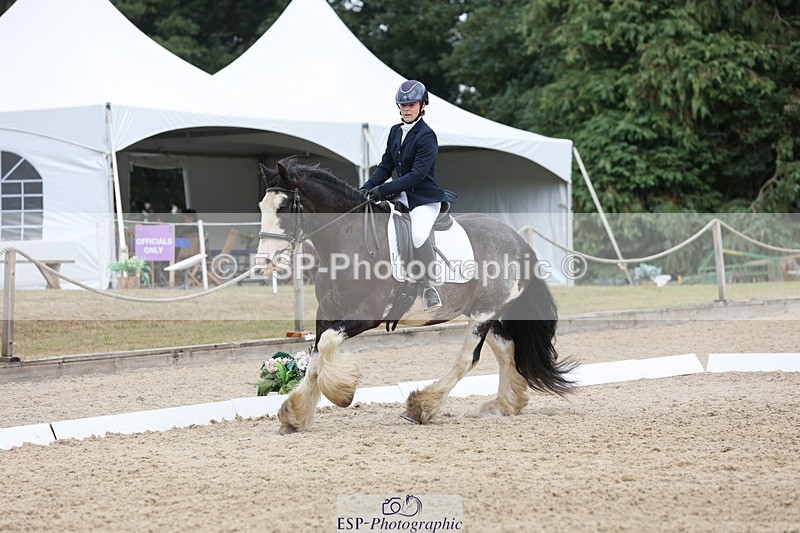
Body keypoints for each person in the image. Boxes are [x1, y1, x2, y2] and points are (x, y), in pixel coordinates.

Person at [360, 80, 452, 310]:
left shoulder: (427, 135)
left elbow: (417, 175)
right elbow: (385, 167)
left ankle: (431, 286)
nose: (406, 109)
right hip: (400, 194)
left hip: (424, 197)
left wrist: (383, 190)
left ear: (422, 105)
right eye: (402, 105)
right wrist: (364, 189)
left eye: (411, 104)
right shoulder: (394, 131)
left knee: (419, 235)